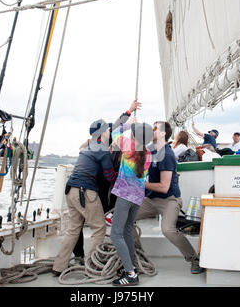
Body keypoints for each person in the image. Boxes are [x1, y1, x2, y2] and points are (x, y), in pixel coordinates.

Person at [72, 101, 142, 263]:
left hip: (107, 194)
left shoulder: (114, 148)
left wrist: (129, 111)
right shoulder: (96, 146)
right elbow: (117, 128)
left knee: (122, 222)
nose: (111, 132)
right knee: (84, 225)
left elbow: (117, 127)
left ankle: (131, 254)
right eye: (108, 130)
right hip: (93, 192)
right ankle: (83, 257)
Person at [134, 121, 205, 274]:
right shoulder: (152, 151)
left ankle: (194, 259)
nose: (150, 131)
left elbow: (164, 187)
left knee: (168, 230)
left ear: (162, 134)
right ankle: (137, 255)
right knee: (126, 219)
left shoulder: (166, 155)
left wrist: (140, 184)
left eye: (154, 129)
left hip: (169, 200)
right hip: (151, 199)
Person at [52, 119, 117, 276]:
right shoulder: (102, 149)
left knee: (73, 230)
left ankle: (58, 266)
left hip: (71, 190)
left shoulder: (86, 147)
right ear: (102, 133)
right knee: (99, 227)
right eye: (108, 130)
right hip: (85, 191)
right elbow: (109, 177)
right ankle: (92, 266)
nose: (109, 132)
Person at [109, 118, 153, 286]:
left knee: (115, 234)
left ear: (134, 135)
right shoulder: (148, 154)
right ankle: (132, 266)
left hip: (125, 196)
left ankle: (131, 274)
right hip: (138, 197)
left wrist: (128, 123)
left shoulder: (128, 145)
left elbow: (113, 132)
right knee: (127, 230)